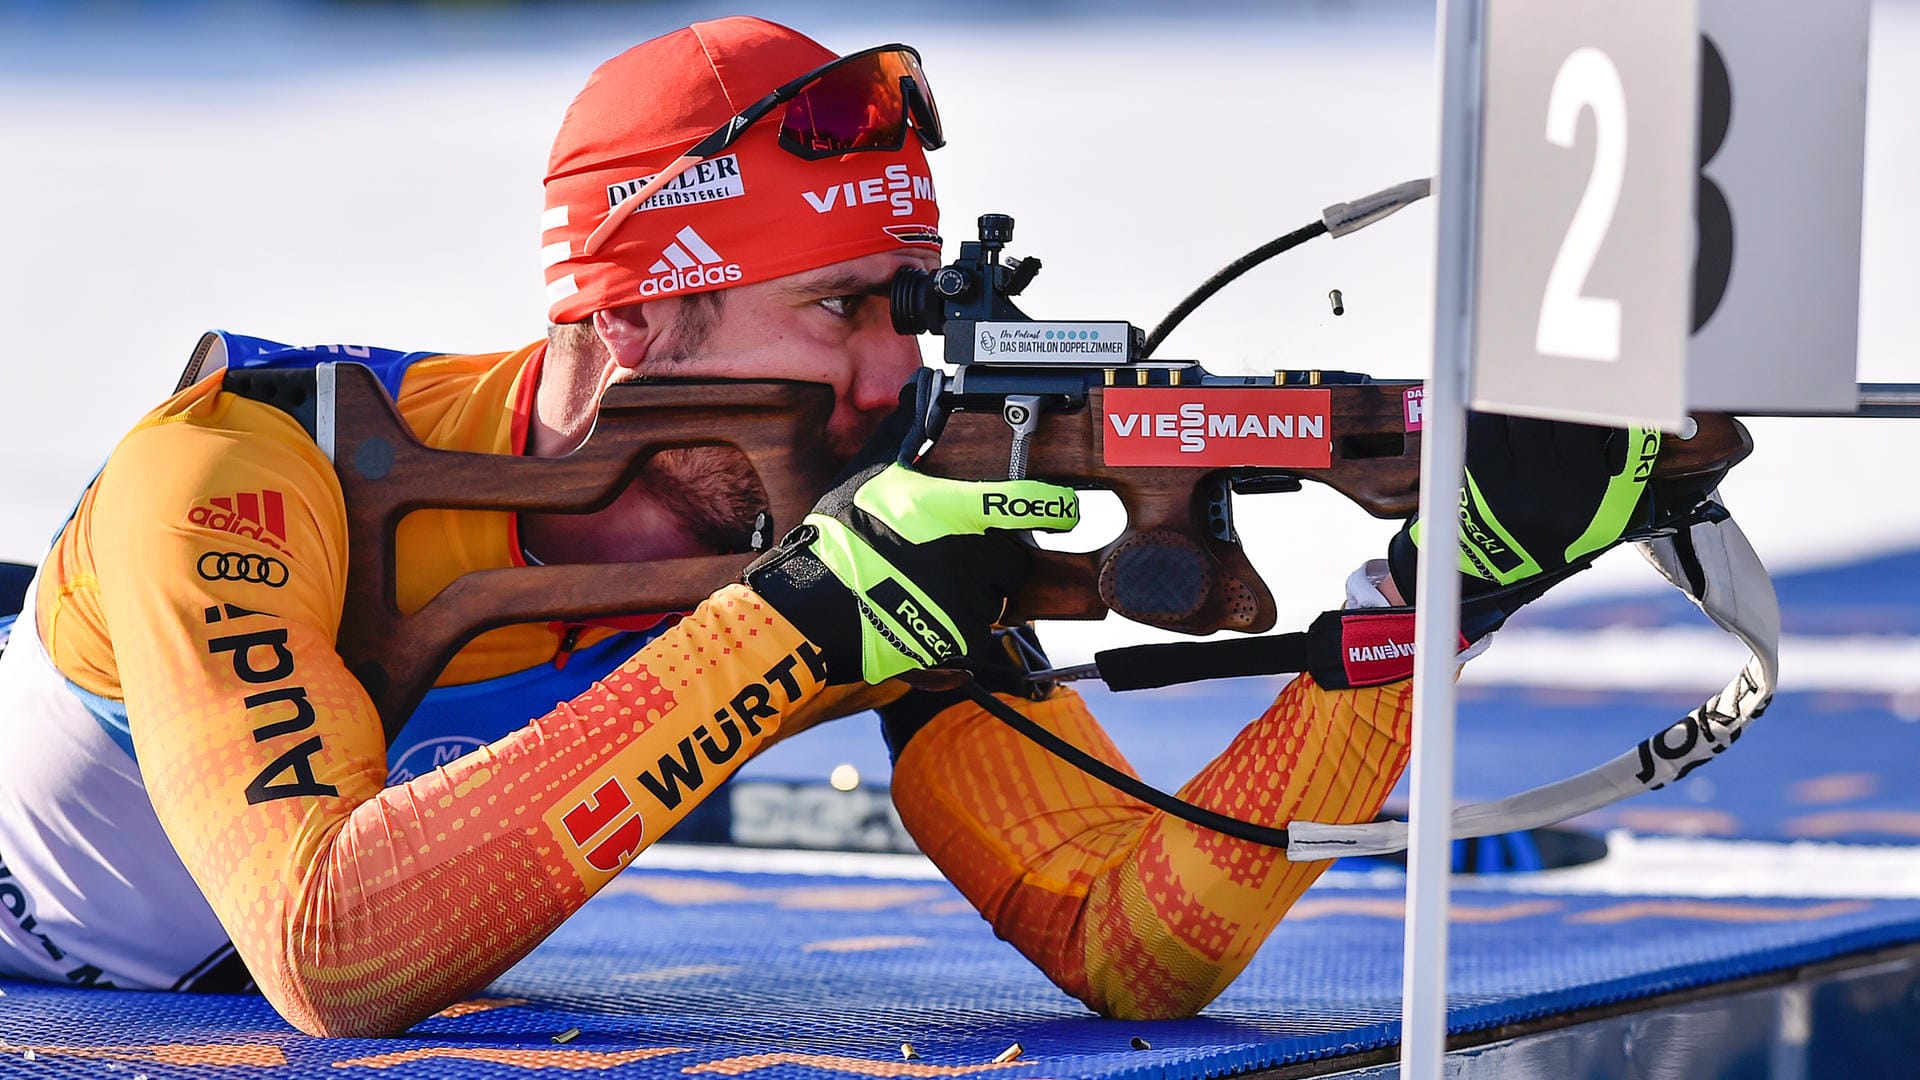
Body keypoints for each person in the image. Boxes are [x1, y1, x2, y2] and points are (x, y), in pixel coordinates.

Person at [0, 16, 1655, 1037]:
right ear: (636, 323)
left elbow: (1129, 938)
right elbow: (329, 953)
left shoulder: (846, 517)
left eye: (917, 306)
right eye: (846, 307)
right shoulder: (232, 476)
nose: (895, 370)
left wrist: (1419, 609)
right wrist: (792, 627)